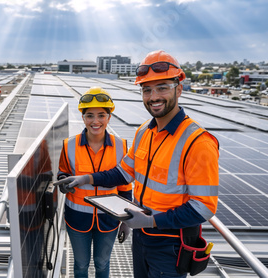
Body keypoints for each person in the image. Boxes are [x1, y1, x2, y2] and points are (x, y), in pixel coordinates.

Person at [54, 50, 219, 277]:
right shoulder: (145, 132)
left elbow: (204, 208)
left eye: (162, 88)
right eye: (147, 89)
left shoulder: (198, 142)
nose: (153, 97)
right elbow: (123, 173)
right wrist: (86, 178)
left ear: (179, 88)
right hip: (142, 238)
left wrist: (152, 221)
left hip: (170, 246)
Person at [56, 87, 132, 278]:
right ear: (83, 118)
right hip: (77, 218)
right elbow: (63, 171)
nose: (95, 121)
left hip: (109, 219)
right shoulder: (69, 145)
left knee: (102, 263)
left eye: (101, 115)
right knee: (81, 265)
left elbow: (125, 186)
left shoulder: (121, 145)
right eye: (89, 115)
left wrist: (126, 222)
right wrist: (62, 181)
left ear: (109, 117)